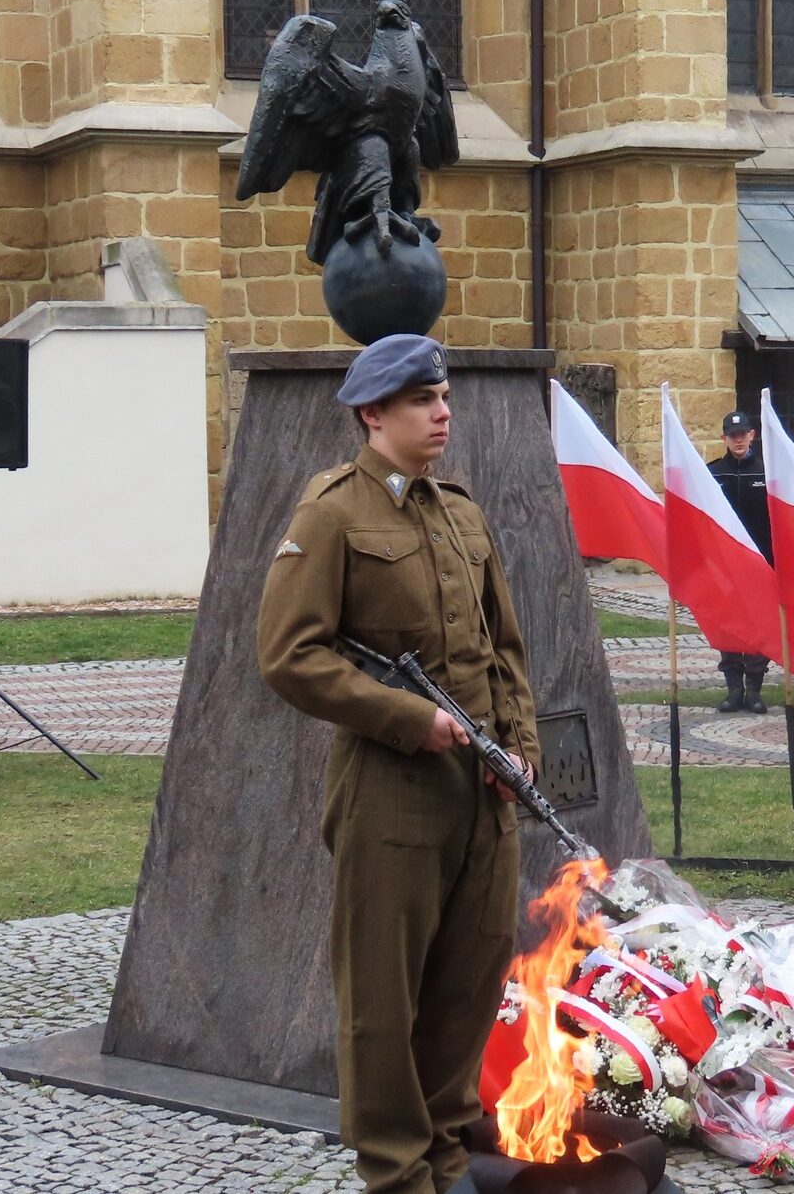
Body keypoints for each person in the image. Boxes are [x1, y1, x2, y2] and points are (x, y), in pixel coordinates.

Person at [257, 334, 537, 1194]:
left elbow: (505, 649)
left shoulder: (462, 512)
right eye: (423, 400)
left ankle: (449, 1157)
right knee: (385, 999)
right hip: (391, 794)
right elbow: (290, 655)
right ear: (373, 415)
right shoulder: (332, 513)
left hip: (481, 793)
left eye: (444, 396)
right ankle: (396, 1172)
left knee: (469, 980)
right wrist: (412, 719)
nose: (443, 412)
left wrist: (518, 745)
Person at [708, 410, 772, 713]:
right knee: (730, 626)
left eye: (742, 434)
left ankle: (754, 689)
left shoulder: (768, 471)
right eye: (732, 435)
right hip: (724, 565)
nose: (738, 440)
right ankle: (733, 688)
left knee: (760, 626)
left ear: (752, 435)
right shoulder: (710, 473)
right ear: (723, 438)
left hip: (761, 564)